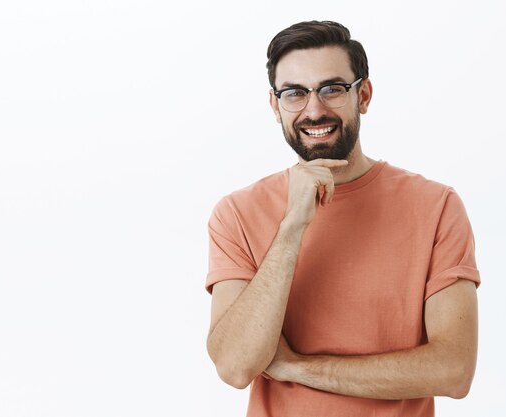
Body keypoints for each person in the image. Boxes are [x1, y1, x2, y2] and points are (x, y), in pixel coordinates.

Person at [205, 20, 480, 417]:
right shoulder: (236, 213)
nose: (314, 110)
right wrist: (293, 226)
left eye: (332, 89)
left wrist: (296, 367)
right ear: (274, 105)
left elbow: (454, 370)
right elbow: (234, 366)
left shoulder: (436, 206)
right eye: (294, 93)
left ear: (363, 95)